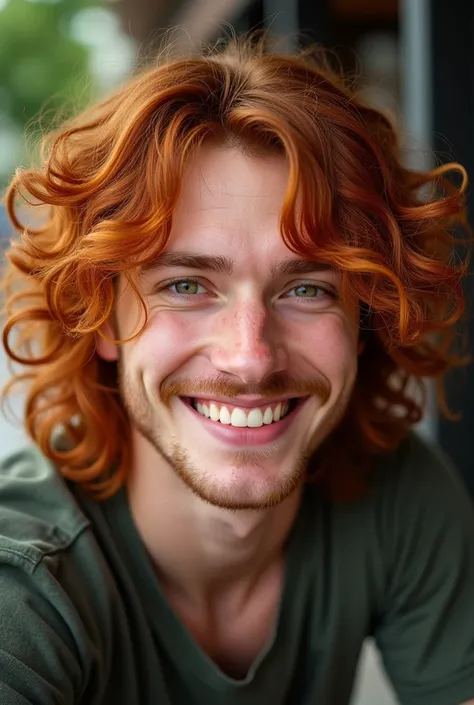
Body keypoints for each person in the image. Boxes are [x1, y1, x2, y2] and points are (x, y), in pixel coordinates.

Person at [0, 37, 473, 705]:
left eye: (307, 288)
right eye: (188, 286)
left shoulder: (398, 500)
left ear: (364, 318)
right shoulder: (23, 581)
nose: (250, 355)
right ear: (101, 316)